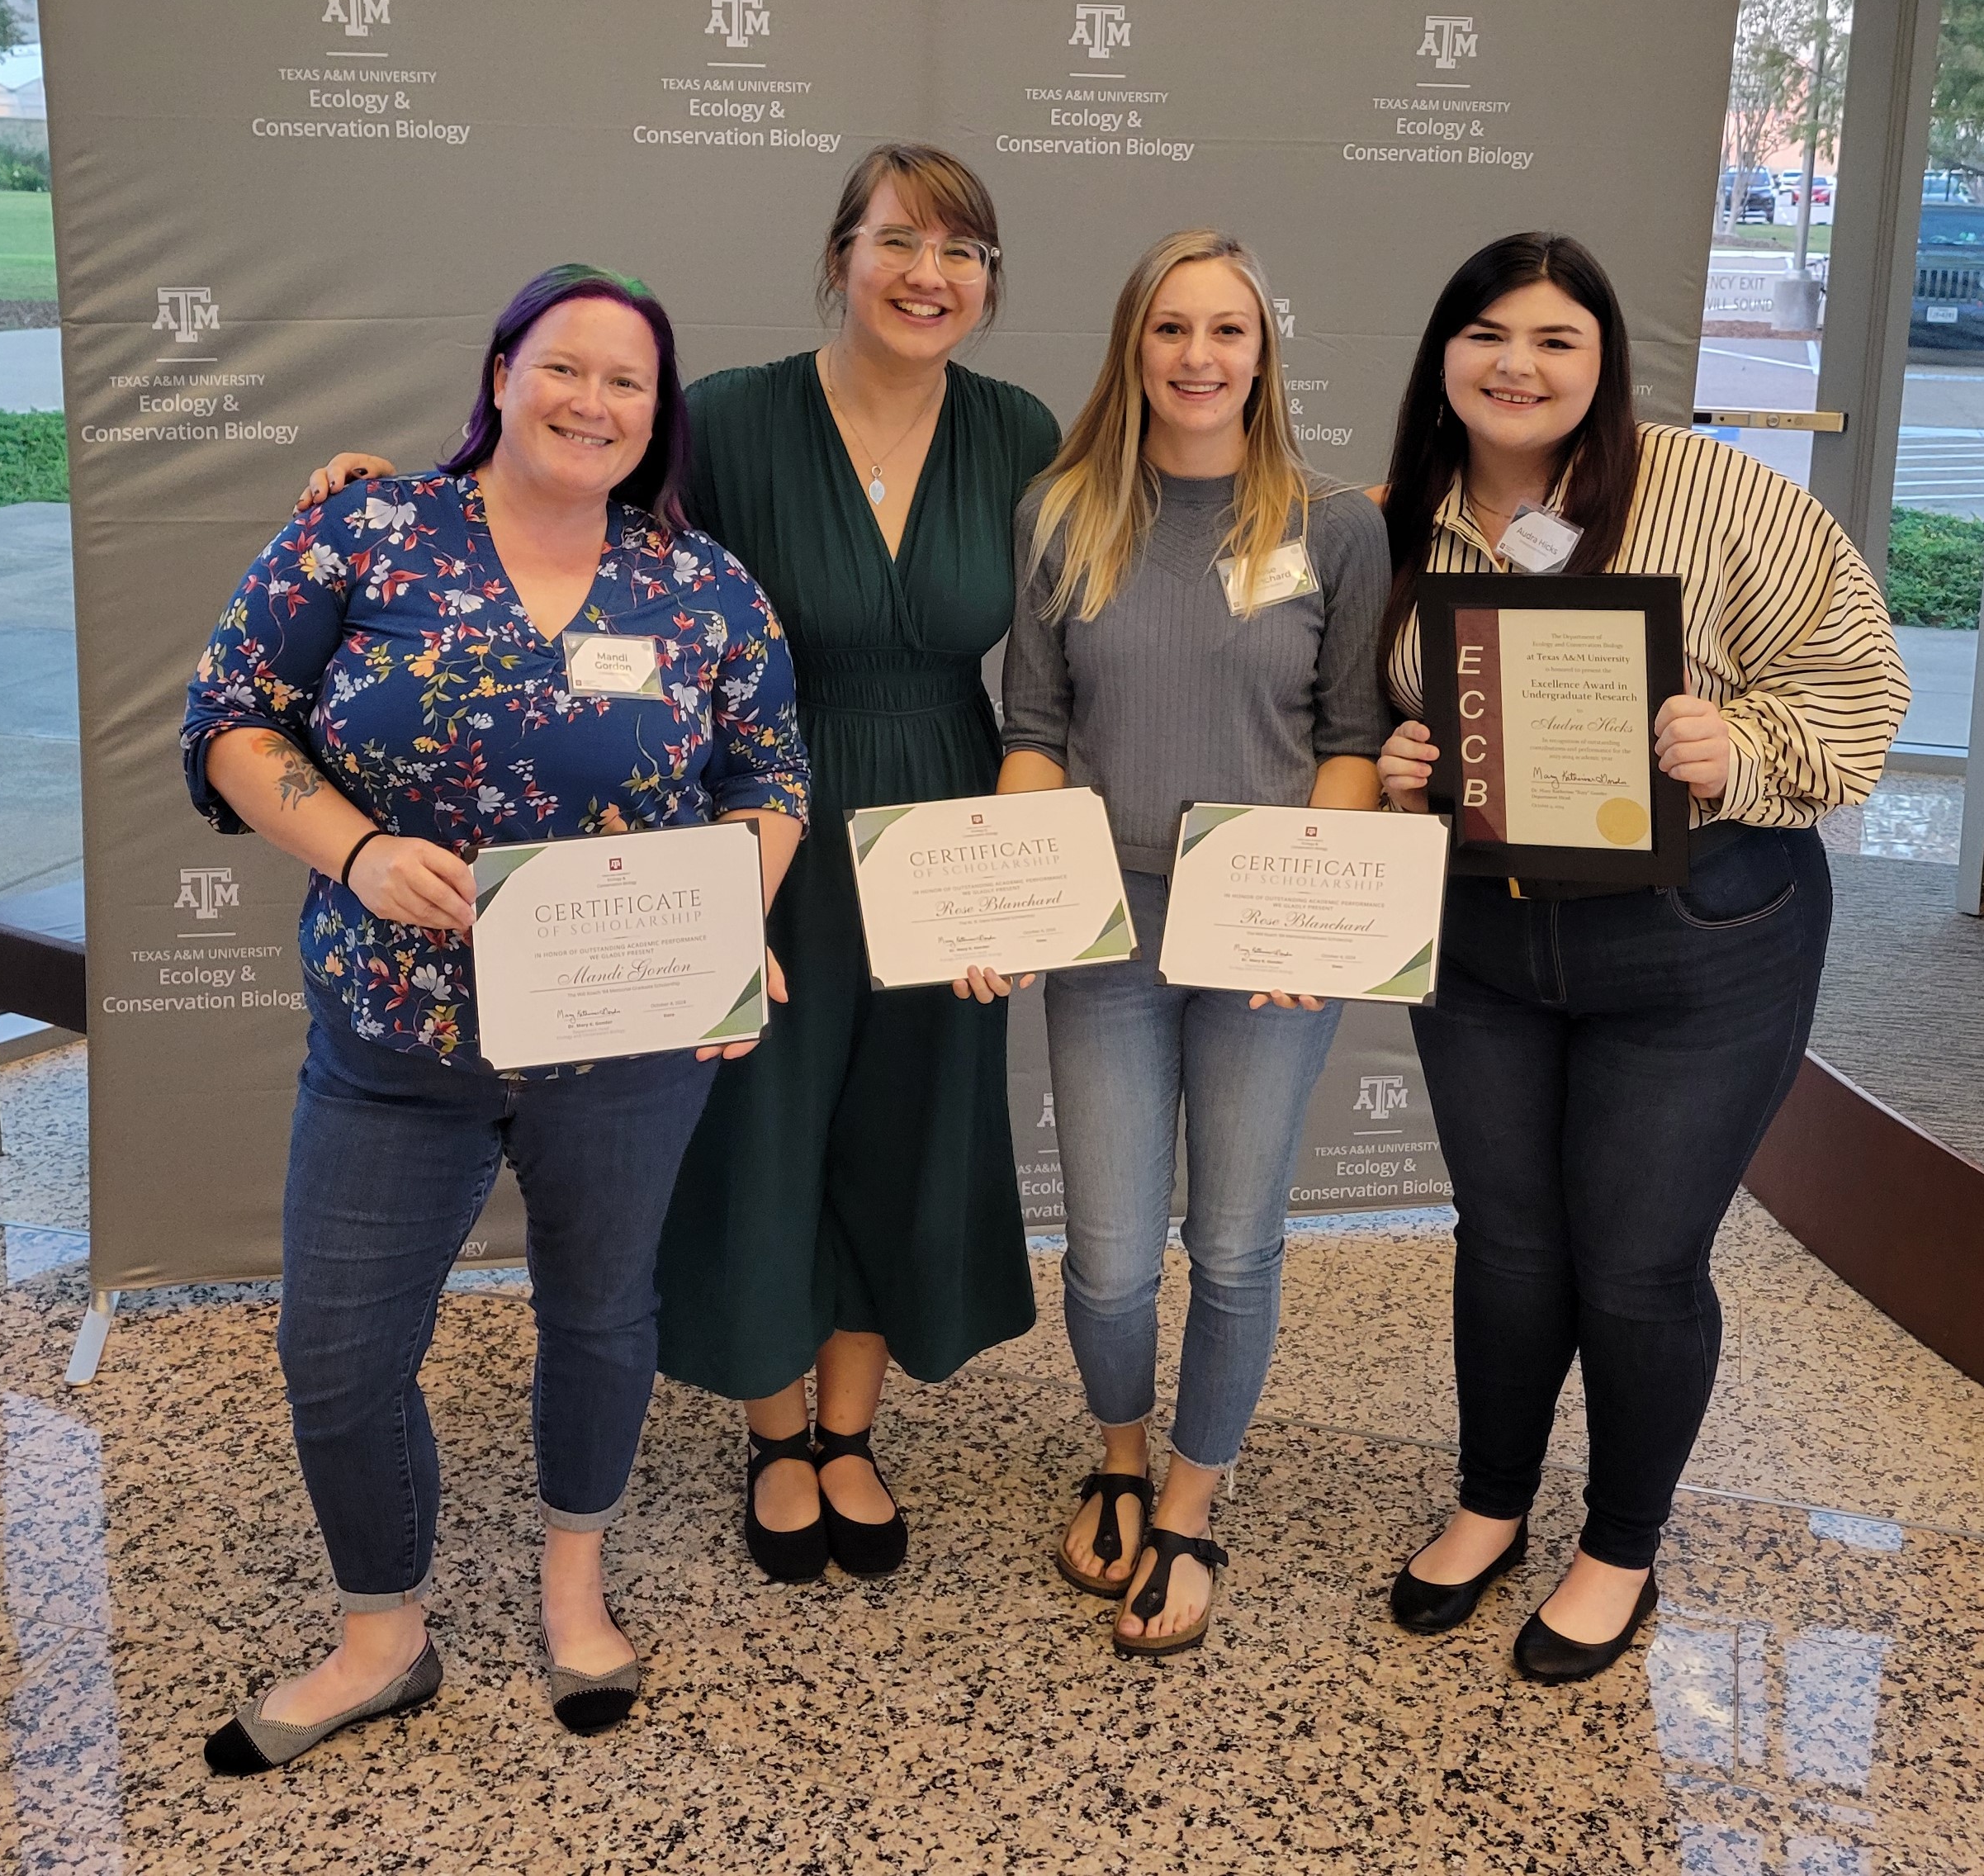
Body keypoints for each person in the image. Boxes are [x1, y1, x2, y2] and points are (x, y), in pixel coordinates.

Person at [297, 146, 1059, 1585]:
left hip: (941, 822)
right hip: (733, 821)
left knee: (907, 1123)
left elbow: (1134, 554)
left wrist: (1367, 516)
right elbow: (545, 499)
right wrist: (375, 491)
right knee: (755, 1122)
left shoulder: (1020, 433)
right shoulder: (725, 418)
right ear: (839, 254)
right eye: (897, 239)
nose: (926, 273)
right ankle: (776, 1432)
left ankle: (850, 1426)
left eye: (961, 251)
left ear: (989, 283)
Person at [183, 265, 808, 1771]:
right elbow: (229, 717)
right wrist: (355, 848)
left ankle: (574, 1584)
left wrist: (733, 923)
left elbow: (769, 777)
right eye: (564, 367)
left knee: (599, 1315)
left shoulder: (701, 585)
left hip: (626, 1035)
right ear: (502, 371)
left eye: (628, 382)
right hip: (393, 1039)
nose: (592, 401)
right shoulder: (366, 527)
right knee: (335, 1353)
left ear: (660, 416)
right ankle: (380, 1633)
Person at [1374, 232, 1908, 1682]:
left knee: (1635, 1261)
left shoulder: (1712, 489)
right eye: (1487, 333)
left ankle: (1620, 1541)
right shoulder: (1408, 511)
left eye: (1557, 340)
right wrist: (1408, 758)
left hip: (1699, 943)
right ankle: (1491, 1503)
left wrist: (1742, 745)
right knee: (1508, 1241)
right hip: (1487, 939)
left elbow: (1861, 684)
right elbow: (1388, 703)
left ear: (1604, 361)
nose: (1517, 365)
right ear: (1445, 353)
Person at [993, 230, 1389, 1656]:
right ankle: (1116, 1449)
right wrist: (1007, 900)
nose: (1201, 357)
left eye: (1229, 330)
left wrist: (1313, 894)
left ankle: (1192, 1500)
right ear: (1133, 344)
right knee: (1106, 1254)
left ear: (1264, 351)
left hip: (1265, 918)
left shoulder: (1335, 523)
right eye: (1173, 329)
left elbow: (1351, 737)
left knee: (1231, 1240)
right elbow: (1034, 733)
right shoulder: (1061, 513)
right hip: (1107, 918)